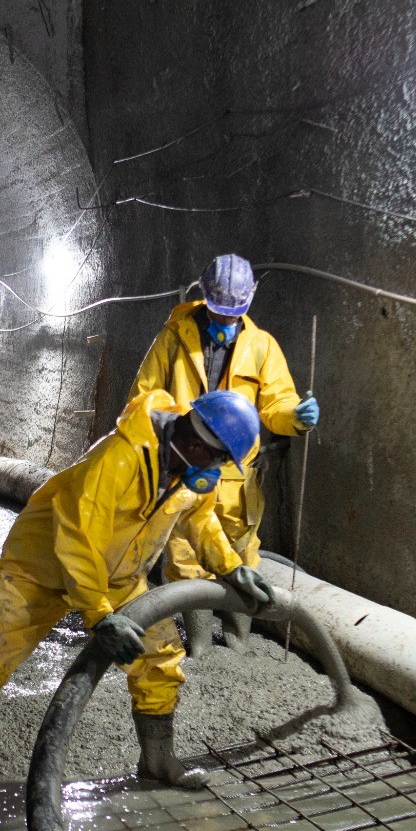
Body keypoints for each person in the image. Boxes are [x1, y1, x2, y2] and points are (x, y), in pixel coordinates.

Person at [0, 389, 273, 822]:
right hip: (36, 571)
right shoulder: (117, 460)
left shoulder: (182, 466)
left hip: (116, 577)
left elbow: (197, 516)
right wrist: (99, 615)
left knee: (158, 658)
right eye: (217, 462)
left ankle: (157, 762)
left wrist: (229, 567)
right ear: (194, 446)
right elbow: (77, 539)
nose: (216, 473)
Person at [129, 254, 320, 654]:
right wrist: (171, 448)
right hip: (186, 467)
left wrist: (296, 418)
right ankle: (199, 645)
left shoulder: (262, 346)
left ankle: (237, 642)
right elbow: (144, 399)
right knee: (184, 556)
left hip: (236, 476)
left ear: (248, 304)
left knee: (241, 555)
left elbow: (276, 404)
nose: (225, 324)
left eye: (233, 316)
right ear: (205, 299)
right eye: (218, 314)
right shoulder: (174, 338)